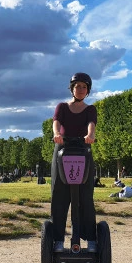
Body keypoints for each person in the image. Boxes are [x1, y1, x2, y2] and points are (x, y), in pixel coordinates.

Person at [51, 72, 97, 252]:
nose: (80, 89)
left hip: (82, 149)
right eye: (77, 86)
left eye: (84, 87)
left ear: (88, 90)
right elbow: (56, 122)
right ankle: (57, 240)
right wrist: (57, 134)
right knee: (59, 195)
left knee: (85, 196)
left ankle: (91, 239)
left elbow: (91, 124)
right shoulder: (62, 106)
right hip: (62, 148)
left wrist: (90, 135)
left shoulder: (90, 109)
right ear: (71, 88)